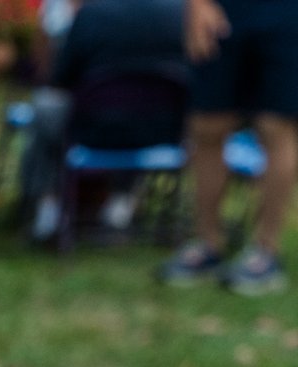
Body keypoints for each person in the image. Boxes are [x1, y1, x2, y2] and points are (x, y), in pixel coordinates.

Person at [158, 0, 298, 293]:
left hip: (296, 13)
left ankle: (266, 251)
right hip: (225, 9)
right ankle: (207, 243)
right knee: (207, 124)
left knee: (277, 125)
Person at [19, 0, 186, 240]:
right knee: (136, 110)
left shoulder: (92, 13)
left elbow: (63, 78)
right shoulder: (181, 13)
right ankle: (121, 201)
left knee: (45, 109)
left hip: (95, 129)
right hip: (165, 132)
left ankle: (48, 206)